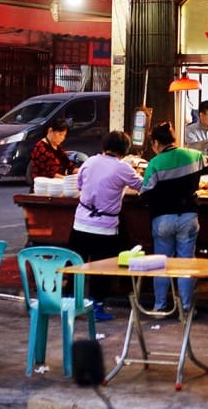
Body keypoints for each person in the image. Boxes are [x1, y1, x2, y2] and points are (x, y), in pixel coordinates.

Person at [69, 131, 141, 321]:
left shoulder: (90, 161)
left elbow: (79, 185)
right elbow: (143, 186)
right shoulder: (123, 168)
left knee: (76, 264)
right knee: (102, 269)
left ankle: (69, 302)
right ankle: (97, 306)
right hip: (105, 227)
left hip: (81, 222)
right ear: (125, 150)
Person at [140, 122, 208, 312]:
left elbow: (145, 193)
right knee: (186, 263)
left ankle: (160, 306)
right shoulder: (194, 155)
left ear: (155, 142)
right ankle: (186, 308)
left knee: (162, 263)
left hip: (163, 219)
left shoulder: (155, 163)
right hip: (188, 217)